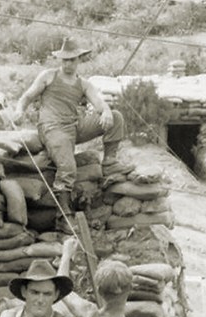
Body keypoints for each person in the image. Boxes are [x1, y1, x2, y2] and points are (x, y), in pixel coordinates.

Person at [11, 37, 126, 229]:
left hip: (74, 126)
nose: (68, 64)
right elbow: (27, 96)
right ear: (60, 60)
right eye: (65, 60)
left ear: (79, 60)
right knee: (67, 166)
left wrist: (105, 111)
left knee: (115, 116)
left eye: (72, 60)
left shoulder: (84, 84)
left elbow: (98, 102)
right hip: (52, 127)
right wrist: (19, 111)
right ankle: (63, 215)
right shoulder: (48, 76)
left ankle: (110, 161)